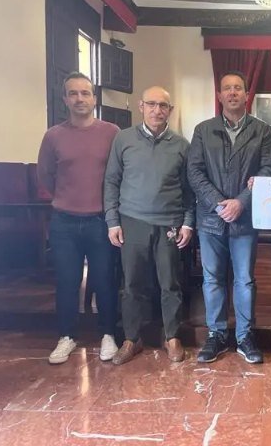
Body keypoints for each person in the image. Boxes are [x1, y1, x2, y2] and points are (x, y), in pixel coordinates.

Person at [188, 71, 271, 364]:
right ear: (220, 95)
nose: (233, 93)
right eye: (227, 88)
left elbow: (268, 170)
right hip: (210, 219)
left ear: (246, 94)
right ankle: (216, 334)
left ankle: (244, 336)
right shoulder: (203, 130)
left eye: (238, 88)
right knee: (212, 279)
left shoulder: (262, 130)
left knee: (245, 280)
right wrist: (218, 204)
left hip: (246, 218)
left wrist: (241, 202)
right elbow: (194, 172)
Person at [104, 86, 194, 365]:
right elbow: (111, 181)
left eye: (163, 105)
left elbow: (189, 190)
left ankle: (172, 337)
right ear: (141, 106)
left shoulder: (182, 145)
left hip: (169, 223)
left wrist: (188, 223)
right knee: (132, 284)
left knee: (170, 283)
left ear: (170, 110)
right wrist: (112, 221)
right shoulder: (123, 139)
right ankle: (132, 338)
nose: (157, 110)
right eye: (151, 104)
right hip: (132, 221)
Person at [37, 72, 119, 365]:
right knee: (66, 281)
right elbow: (45, 175)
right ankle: (66, 336)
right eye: (73, 93)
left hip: (101, 220)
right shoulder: (53, 136)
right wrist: (66, 198)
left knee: (105, 280)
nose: (80, 98)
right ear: (65, 99)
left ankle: (108, 334)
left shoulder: (112, 132)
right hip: (65, 221)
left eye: (85, 93)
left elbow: (119, 173)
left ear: (94, 99)